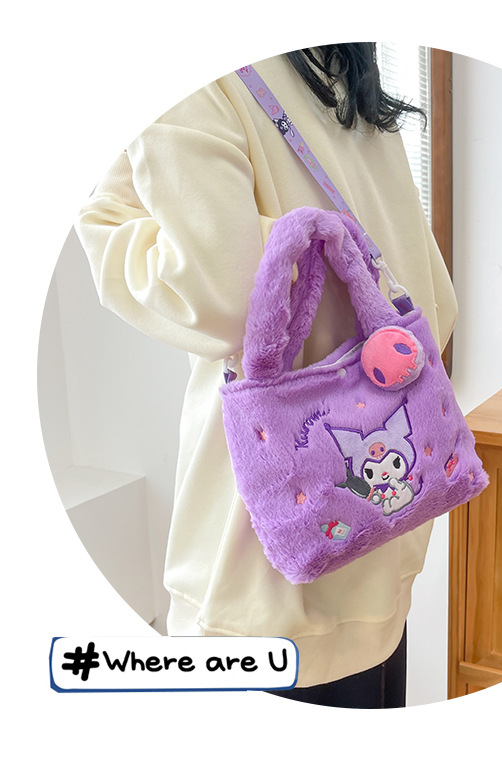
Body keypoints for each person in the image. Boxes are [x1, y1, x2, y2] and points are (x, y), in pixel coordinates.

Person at [75, 43, 458, 709]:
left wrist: (106, 223)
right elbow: (438, 306)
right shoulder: (344, 71)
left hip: (261, 588)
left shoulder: (195, 79)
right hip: (379, 564)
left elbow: (223, 300)